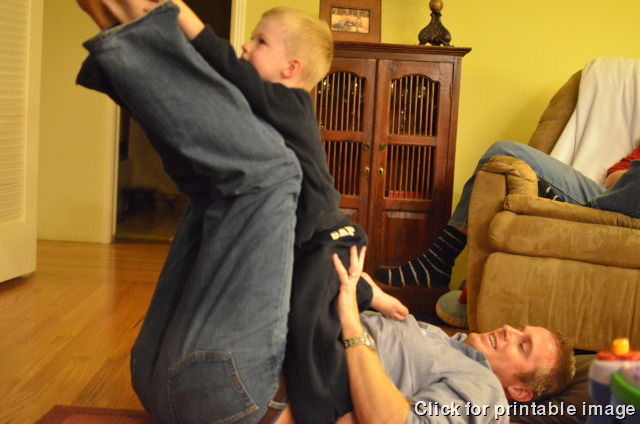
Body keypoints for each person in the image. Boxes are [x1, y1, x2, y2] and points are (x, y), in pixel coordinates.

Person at [75, 1, 407, 423]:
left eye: (260, 41)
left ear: (291, 68)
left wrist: (180, 15)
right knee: (210, 183)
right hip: (168, 372)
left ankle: (128, 31)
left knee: (276, 179)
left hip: (319, 239)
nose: (247, 47)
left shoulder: (293, 104)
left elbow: (227, 70)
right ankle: (119, 31)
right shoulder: (265, 110)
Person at [333, 245, 576, 423]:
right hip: (327, 319)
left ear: (519, 391)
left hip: (324, 355)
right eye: (519, 329)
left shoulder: (485, 391)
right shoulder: (447, 343)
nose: (508, 330)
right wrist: (369, 294)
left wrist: (351, 323)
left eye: (522, 346)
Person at [376, 140, 640, 287]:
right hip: (611, 197)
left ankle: (436, 264)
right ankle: (438, 261)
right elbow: (614, 177)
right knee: (503, 151)